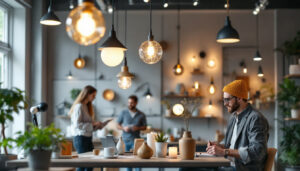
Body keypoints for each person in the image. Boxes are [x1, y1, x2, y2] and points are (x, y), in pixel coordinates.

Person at [206, 80, 269, 171]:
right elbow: (232, 147)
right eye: (224, 100)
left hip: (242, 168)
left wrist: (224, 151)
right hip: (228, 165)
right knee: (186, 169)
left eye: (227, 99)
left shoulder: (256, 118)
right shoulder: (233, 118)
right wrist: (219, 147)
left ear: (239, 98)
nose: (225, 103)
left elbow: (257, 152)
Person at [69, 85, 111, 171]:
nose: (94, 97)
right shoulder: (79, 106)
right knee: (82, 165)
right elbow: (77, 125)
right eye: (93, 95)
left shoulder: (86, 107)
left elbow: (88, 126)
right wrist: (94, 123)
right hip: (81, 139)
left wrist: (98, 126)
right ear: (87, 94)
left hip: (87, 138)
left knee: (90, 165)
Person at [117, 95, 147, 171]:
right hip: (125, 141)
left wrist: (138, 128)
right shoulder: (123, 112)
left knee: (138, 161)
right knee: (128, 162)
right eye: (129, 102)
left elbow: (145, 127)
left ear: (136, 103)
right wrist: (124, 128)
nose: (130, 104)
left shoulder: (141, 114)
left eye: (132, 103)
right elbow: (118, 125)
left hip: (137, 141)